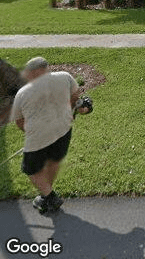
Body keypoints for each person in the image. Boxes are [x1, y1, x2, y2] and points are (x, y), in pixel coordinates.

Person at [10, 56, 90, 214]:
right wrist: (81, 109)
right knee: (54, 160)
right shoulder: (65, 77)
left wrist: (35, 134)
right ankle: (46, 196)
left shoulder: (22, 93)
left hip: (38, 137)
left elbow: (19, 122)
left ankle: (50, 196)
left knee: (31, 170)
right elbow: (75, 100)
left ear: (34, 72)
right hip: (64, 130)